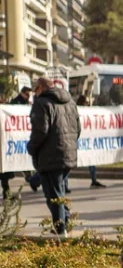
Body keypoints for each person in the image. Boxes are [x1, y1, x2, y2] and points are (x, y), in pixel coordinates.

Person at [27, 78, 81, 238]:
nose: (34, 94)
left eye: (35, 90)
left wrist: (31, 148)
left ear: (41, 88)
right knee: (59, 192)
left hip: (50, 156)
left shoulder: (41, 103)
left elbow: (40, 131)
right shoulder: (69, 101)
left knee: (54, 195)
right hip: (68, 154)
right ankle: (65, 222)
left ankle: (60, 230)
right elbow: (78, 128)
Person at [73, 94, 106, 190]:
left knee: (91, 160)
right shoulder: (76, 111)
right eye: (86, 102)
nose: (88, 104)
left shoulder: (88, 113)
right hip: (77, 141)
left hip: (86, 142)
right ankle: (35, 180)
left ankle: (94, 180)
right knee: (67, 164)